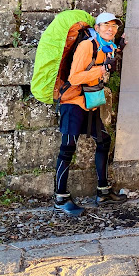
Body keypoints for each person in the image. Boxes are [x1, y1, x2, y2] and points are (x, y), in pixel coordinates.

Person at [53, 12, 126, 216]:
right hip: (73, 101)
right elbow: (74, 77)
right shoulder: (87, 45)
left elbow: (109, 54)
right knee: (67, 148)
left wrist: (119, 46)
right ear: (98, 27)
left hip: (90, 103)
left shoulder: (107, 45)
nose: (111, 29)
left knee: (103, 140)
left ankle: (103, 192)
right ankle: (60, 198)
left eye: (114, 26)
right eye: (106, 26)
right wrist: (102, 69)